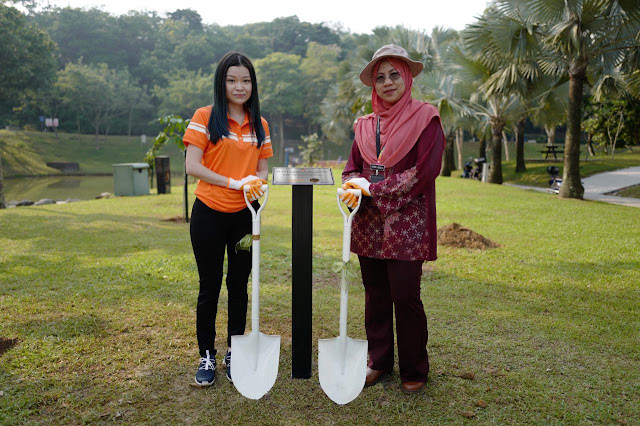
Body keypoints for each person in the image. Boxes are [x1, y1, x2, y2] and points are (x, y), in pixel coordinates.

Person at [340, 44, 445, 394]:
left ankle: (414, 368)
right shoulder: (365, 125)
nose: (387, 82)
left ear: (408, 76)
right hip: (369, 223)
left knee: (405, 295)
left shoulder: (426, 117)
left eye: (394, 74)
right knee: (375, 293)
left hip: (407, 223)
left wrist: (372, 189)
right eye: (379, 77)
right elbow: (351, 168)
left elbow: (424, 172)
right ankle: (379, 361)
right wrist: (351, 187)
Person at [182, 51, 273, 386]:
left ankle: (235, 350)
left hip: (243, 217)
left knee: (238, 285)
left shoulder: (259, 123)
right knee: (210, 286)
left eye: (246, 80)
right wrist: (236, 182)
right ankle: (207, 355)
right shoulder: (205, 117)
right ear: (222, 83)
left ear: (253, 84)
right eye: (232, 80)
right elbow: (193, 165)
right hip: (208, 213)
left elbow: (262, 168)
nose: (239, 86)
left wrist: (257, 183)